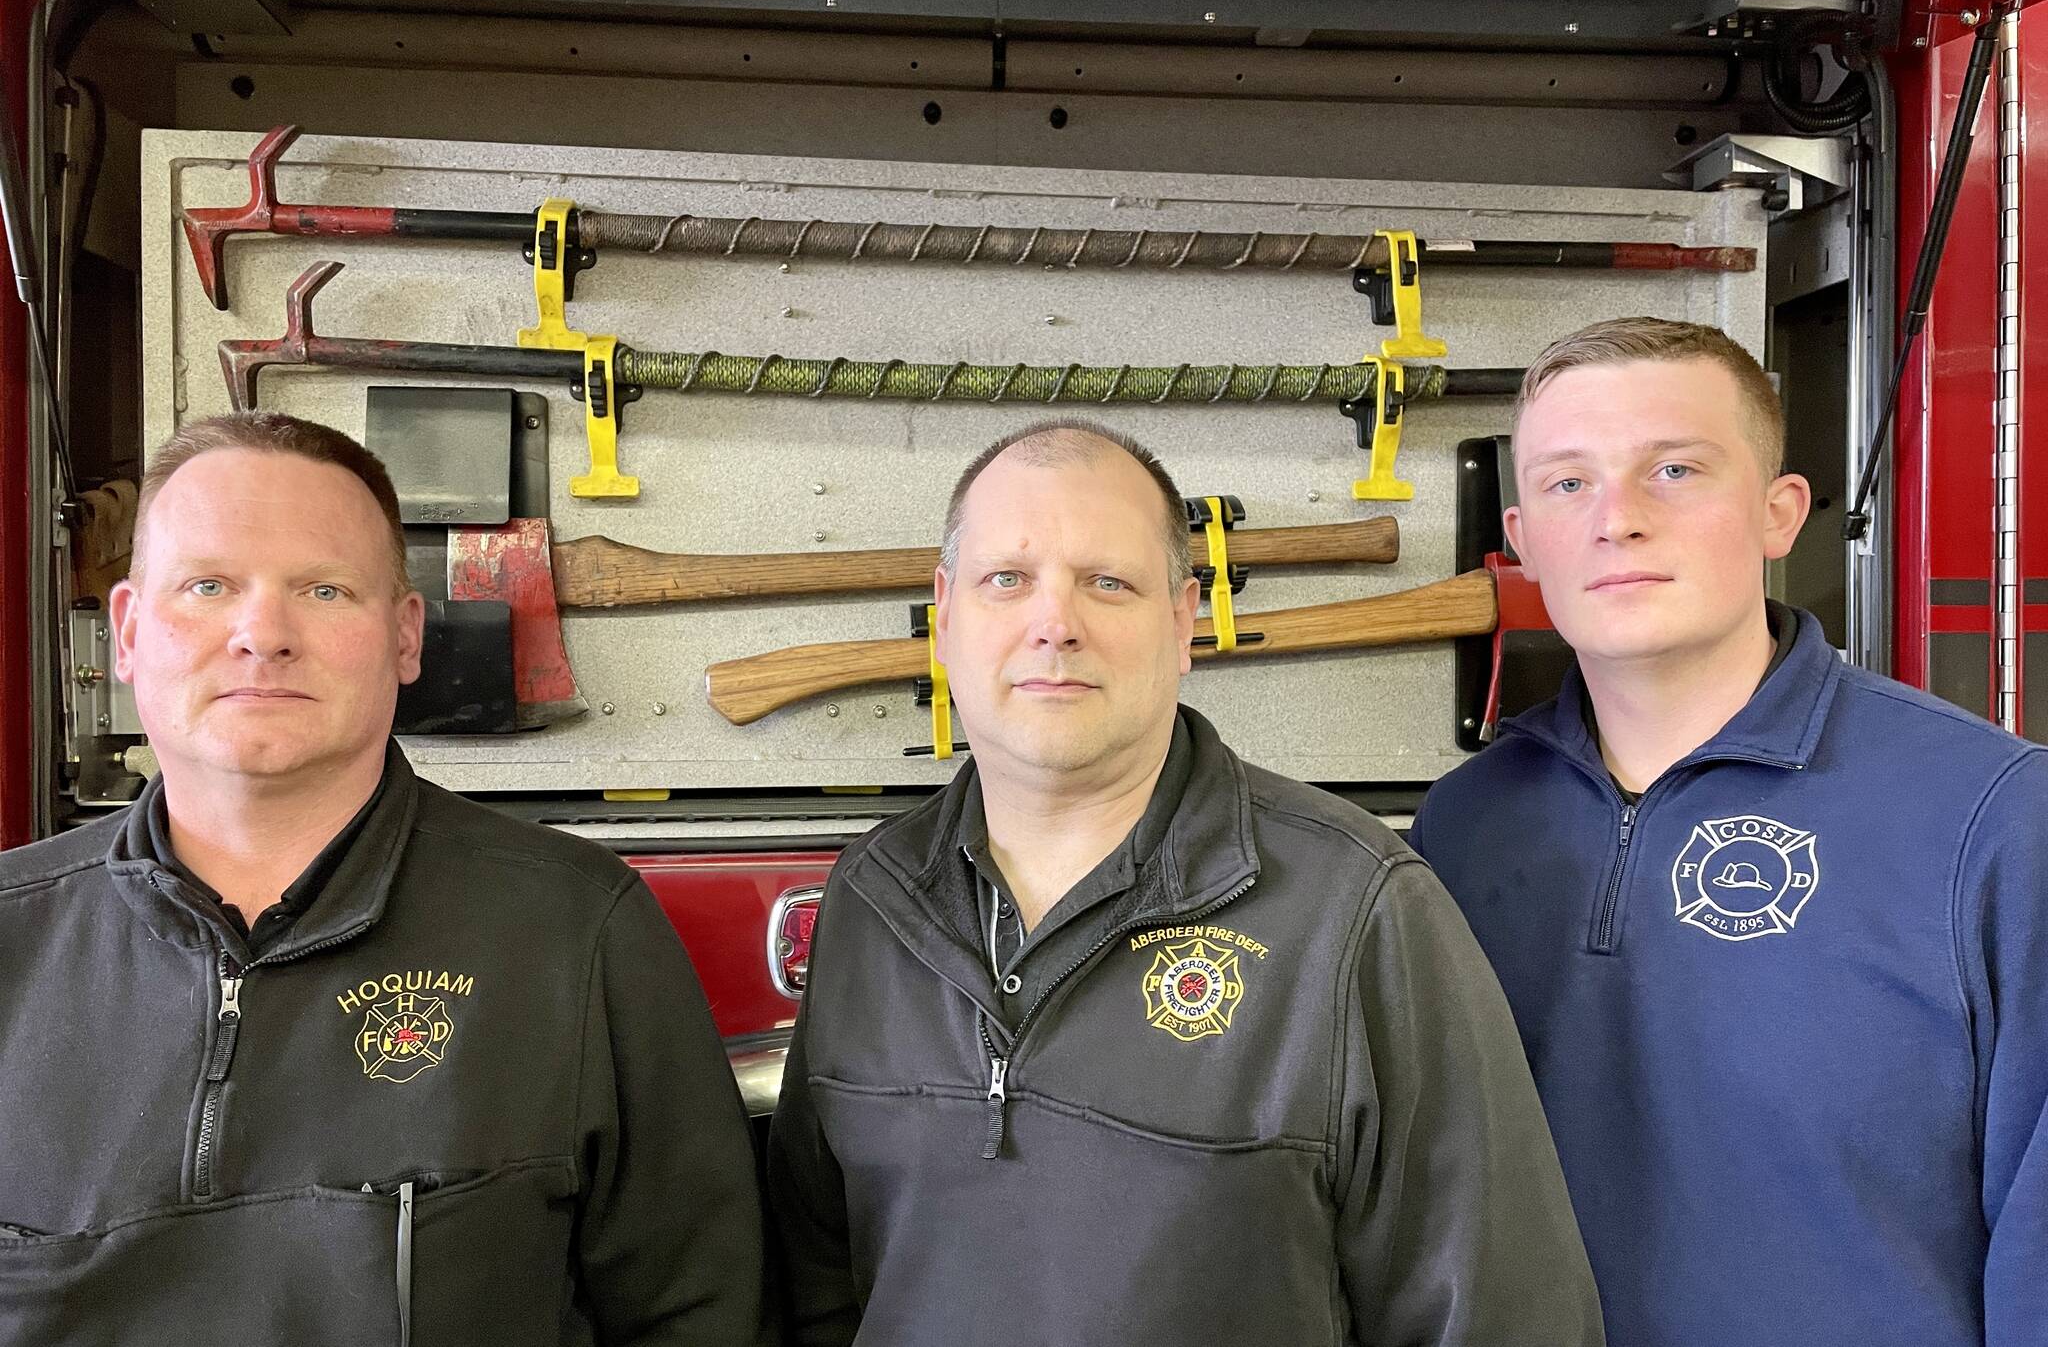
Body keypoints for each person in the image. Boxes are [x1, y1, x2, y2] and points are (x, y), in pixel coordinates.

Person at [766, 418, 1602, 1346]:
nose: (1055, 624)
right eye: (1009, 579)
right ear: (947, 614)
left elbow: (1500, 1318)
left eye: (1107, 583)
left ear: (1181, 621)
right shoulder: (872, 898)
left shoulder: (1354, 910)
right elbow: (815, 1281)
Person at [0, 413, 768, 1345]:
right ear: (126, 632)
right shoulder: (12, 941)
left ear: (407, 637)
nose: (262, 635)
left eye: (324, 590)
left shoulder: (575, 930)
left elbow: (704, 1318)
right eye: (208, 586)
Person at [1409, 317, 2048, 1347]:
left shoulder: (1994, 817)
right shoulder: (1464, 826)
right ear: (1523, 541)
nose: (1616, 520)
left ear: (1776, 512)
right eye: (1569, 483)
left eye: (1672, 468)